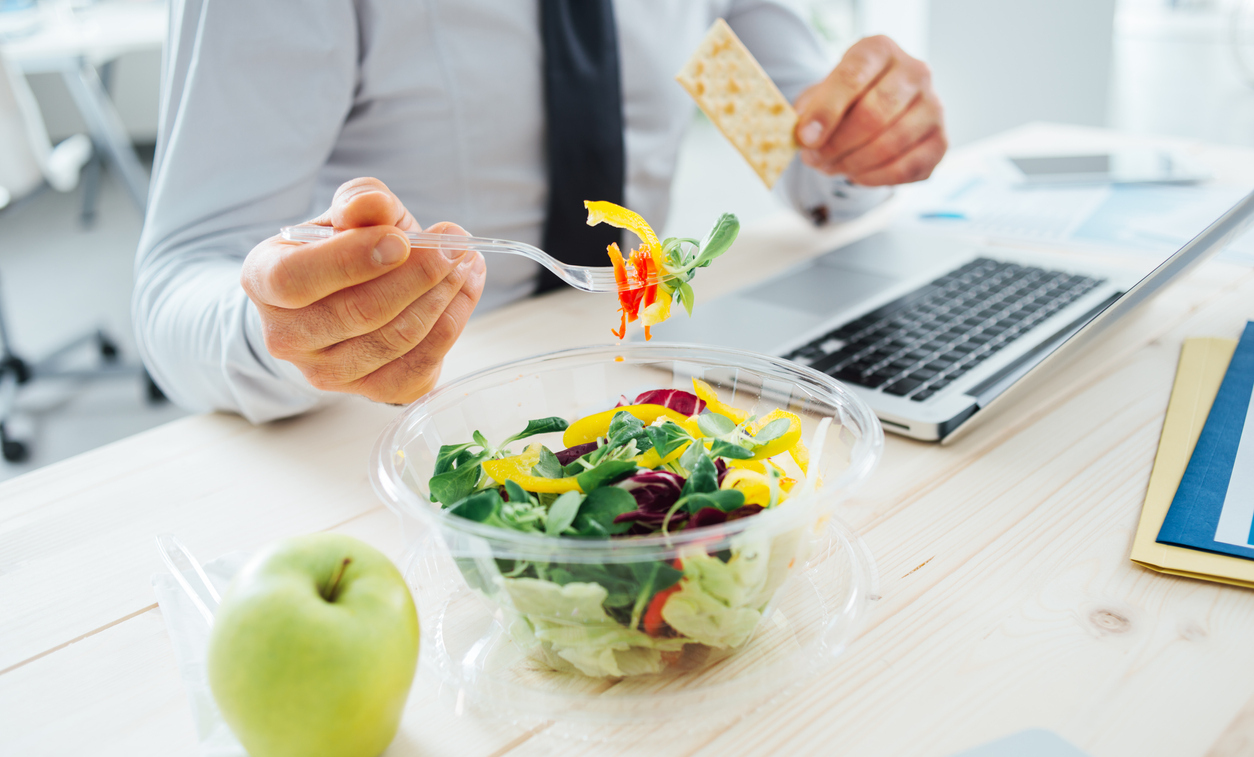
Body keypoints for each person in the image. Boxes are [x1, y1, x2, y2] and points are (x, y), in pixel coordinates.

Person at [134, 1, 946, 424]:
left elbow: (804, 155)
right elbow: (179, 283)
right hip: (388, 426)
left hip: (642, 379)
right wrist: (301, 330)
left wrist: (866, 138)